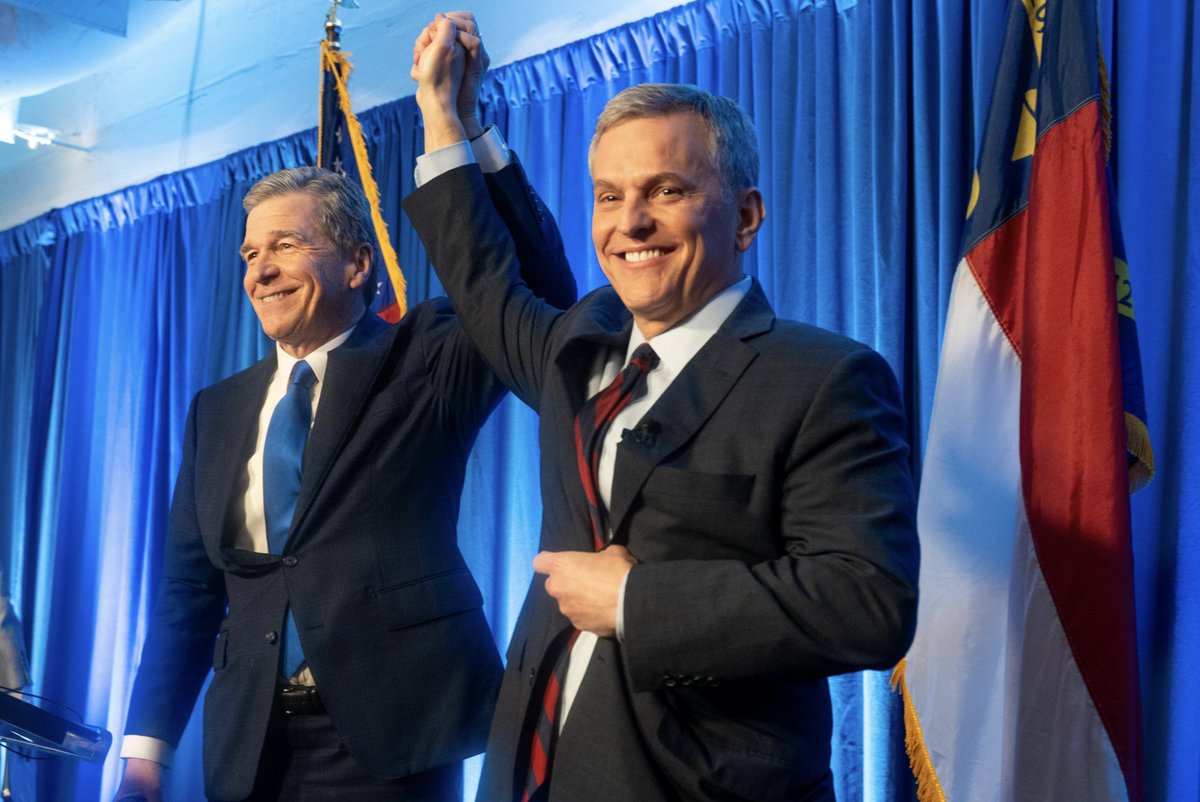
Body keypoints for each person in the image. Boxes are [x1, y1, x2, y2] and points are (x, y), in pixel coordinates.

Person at [405, 14, 919, 801]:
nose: (629, 223)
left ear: (745, 217)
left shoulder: (829, 377)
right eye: (609, 196)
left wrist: (636, 602)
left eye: (666, 191)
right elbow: (483, 281)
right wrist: (456, 123)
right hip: (529, 773)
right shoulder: (581, 346)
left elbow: (868, 601)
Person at [112, 32, 576, 800]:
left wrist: (465, 126)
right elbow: (188, 592)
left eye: (284, 246)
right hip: (249, 743)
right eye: (249, 254)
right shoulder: (216, 411)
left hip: (394, 736)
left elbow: (543, 298)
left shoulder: (424, 356)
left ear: (358, 264)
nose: (258, 270)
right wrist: (145, 748)